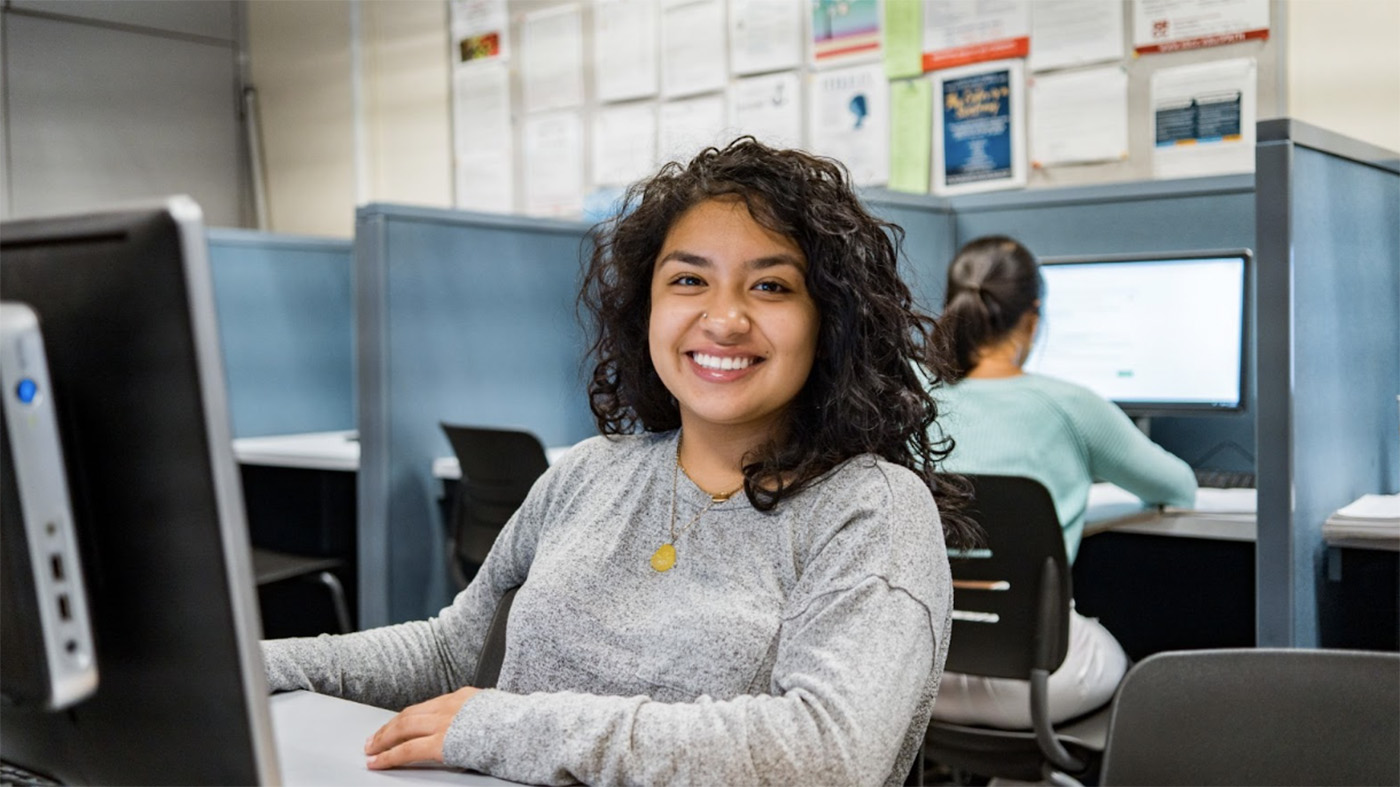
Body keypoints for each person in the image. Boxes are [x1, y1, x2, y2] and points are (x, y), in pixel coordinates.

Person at [262, 138, 978, 786]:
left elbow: (827, 753)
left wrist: (503, 725)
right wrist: (251, 665)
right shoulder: (588, 473)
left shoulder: (871, 509)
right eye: (689, 280)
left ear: (831, 320)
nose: (723, 318)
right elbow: (450, 652)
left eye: (770, 285)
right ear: (647, 309)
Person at [928, 235, 1197, 730]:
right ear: (1032, 318)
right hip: (1032, 684)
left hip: (919, 676)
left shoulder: (912, 402)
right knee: (1127, 653)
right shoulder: (1071, 406)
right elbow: (1179, 488)